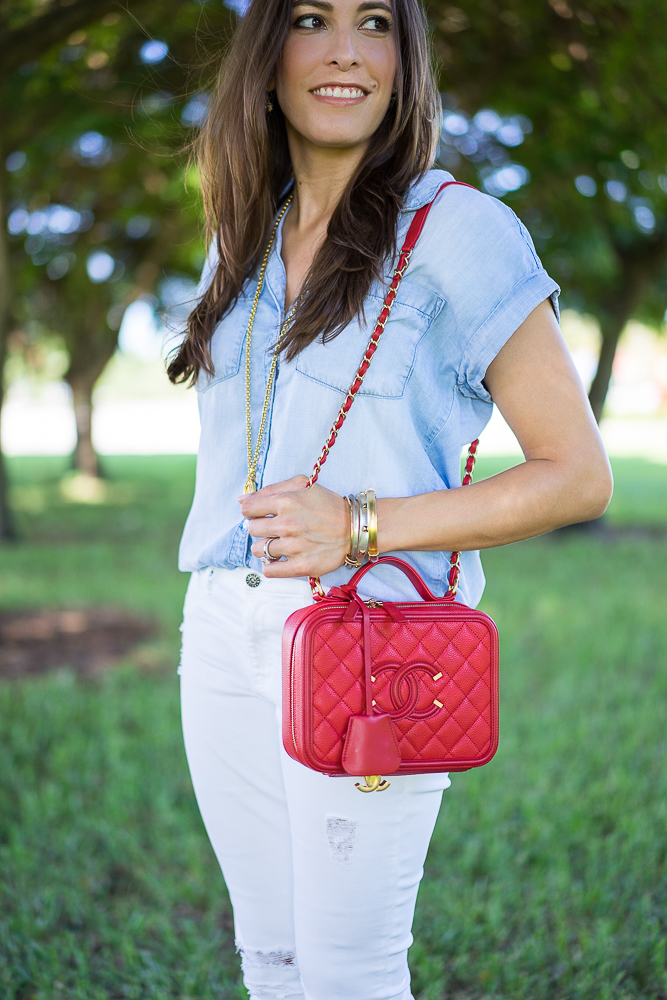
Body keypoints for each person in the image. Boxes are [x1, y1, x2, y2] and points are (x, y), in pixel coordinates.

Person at [170, 0, 613, 996]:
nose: (341, 49)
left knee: (347, 973)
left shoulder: (458, 232)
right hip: (223, 628)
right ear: (268, 54)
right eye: (312, 18)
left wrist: (361, 523)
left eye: (374, 21)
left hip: (371, 640)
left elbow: (577, 473)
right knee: (269, 957)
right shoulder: (244, 228)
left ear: (404, 59)